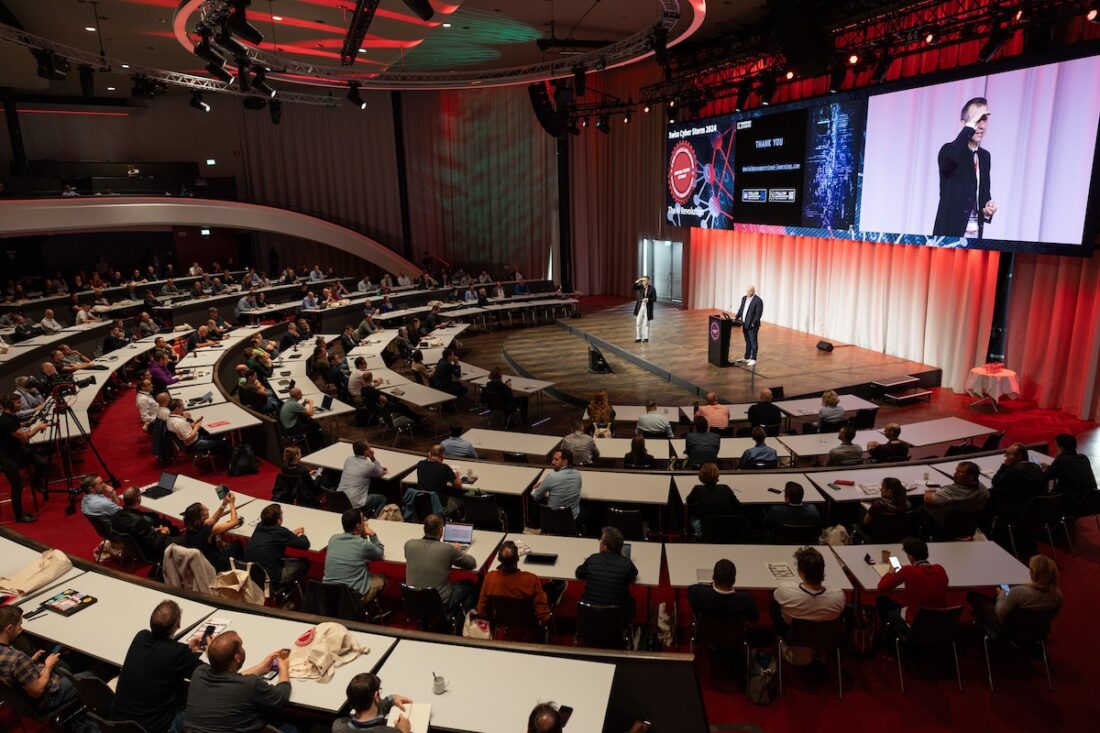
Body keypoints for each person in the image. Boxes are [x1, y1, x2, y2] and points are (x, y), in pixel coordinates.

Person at [0, 606, 98, 733]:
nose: (21, 629)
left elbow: (12, 671)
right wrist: (48, 666)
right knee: (92, 678)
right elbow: (37, 691)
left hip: (22, 699)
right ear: (9, 628)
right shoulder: (17, 659)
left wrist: (30, 661)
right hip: (47, 698)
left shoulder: (8, 654)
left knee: (68, 659)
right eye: (19, 625)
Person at [111, 600, 203, 733]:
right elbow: (205, 673)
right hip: (153, 728)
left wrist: (187, 651)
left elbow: (161, 654)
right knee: (199, 711)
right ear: (178, 625)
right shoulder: (178, 653)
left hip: (116, 723)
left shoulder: (140, 636)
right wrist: (211, 650)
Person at [183, 631, 293, 733]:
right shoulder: (250, 684)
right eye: (241, 646)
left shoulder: (199, 672)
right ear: (237, 658)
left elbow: (230, 680)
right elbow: (281, 697)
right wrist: (284, 669)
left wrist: (260, 667)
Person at [933, 97, 996, 238]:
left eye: (984, 119)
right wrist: (970, 125)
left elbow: (984, 193)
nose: (981, 126)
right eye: (977, 120)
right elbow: (951, 158)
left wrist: (987, 210)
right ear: (964, 124)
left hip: (975, 236)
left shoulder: (985, 156)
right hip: (949, 235)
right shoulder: (949, 150)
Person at [770, 547, 846, 662]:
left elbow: (776, 597)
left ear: (801, 572)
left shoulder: (786, 590)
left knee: (774, 606)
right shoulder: (838, 595)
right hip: (826, 636)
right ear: (822, 571)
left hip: (794, 635)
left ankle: (779, 638)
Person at [967, 554, 1063, 634]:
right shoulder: (1058, 595)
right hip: (1036, 631)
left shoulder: (1019, 592)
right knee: (1004, 587)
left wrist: (1002, 594)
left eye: (1030, 569)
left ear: (1034, 573)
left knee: (973, 596)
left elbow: (999, 614)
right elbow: (1054, 616)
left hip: (1008, 629)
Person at [875, 536, 949, 635]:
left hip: (915, 622)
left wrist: (890, 572)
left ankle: (892, 638)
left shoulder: (907, 571)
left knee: (882, 601)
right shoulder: (940, 569)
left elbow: (882, 587)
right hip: (939, 621)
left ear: (910, 557)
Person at [404, 514, 477, 612]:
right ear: (441, 531)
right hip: (440, 602)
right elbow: (471, 563)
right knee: (470, 585)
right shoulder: (448, 549)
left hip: (414, 600)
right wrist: (458, 552)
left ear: (424, 528)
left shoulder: (409, 544)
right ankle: (460, 621)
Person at [476, 540, 552, 624]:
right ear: (518, 558)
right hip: (528, 626)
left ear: (499, 559)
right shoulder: (531, 580)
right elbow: (544, 617)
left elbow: (481, 611)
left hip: (501, 624)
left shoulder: (490, 578)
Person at [0, 393, 49, 522]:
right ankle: (19, 515)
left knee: (42, 463)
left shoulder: (11, 416)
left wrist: (30, 422)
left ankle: (36, 481)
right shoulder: (6, 421)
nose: (20, 405)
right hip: (6, 457)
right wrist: (38, 427)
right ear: (9, 405)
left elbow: (18, 427)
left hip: (18, 450)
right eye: (17, 403)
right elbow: (25, 437)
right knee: (17, 485)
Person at [324, 509, 387, 606]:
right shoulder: (363, 544)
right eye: (363, 520)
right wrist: (372, 535)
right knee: (382, 578)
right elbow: (380, 554)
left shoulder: (333, 539)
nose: (365, 522)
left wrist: (361, 535)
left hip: (327, 593)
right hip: (351, 597)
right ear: (358, 526)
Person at [576, 526, 638, 621]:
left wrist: (590, 562)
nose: (599, 543)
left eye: (601, 541)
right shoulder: (626, 564)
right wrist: (623, 557)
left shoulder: (593, 559)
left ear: (605, 546)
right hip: (616, 621)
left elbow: (578, 573)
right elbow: (633, 576)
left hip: (589, 618)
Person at [244, 503, 311, 589]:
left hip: (252, 574)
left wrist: (290, 534)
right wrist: (302, 534)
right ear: (278, 520)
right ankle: (288, 589)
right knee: (305, 563)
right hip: (269, 578)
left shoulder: (260, 526)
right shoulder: (279, 532)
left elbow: (276, 537)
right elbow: (305, 544)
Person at [331, 672, 413, 733]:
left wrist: (391, 699)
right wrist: (404, 731)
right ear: (376, 696)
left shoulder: (338, 725)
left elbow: (374, 710)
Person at [111, 487, 177, 563]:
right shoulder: (138, 521)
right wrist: (163, 533)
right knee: (184, 540)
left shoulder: (116, 516)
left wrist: (154, 530)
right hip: (151, 553)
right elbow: (155, 546)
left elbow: (135, 535)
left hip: (136, 550)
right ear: (138, 500)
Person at [182, 494, 244, 572]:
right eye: (205, 509)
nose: (208, 509)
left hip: (200, 563)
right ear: (201, 517)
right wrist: (232, 503)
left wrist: (224, 503)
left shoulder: (191, 525)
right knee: (236, 545)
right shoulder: (209, 529)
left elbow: (213, 519)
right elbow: (234, 522)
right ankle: (240, 571)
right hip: (213, 565)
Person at [921, 461, 989, 532]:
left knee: (918, 508)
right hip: (968, 526)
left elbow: (927, 498)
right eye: (956, 470)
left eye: (960, 472)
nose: (955, 474)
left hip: (944, 524)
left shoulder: (952, 492)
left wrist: (929, 491)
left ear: (970, 477)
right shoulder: (984, 490)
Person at [688, 559, 759, 624]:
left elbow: (692, 588)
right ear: (734, 580)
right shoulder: (745, 600)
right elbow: (753, 618)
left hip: (705, 636)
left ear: (713, 577)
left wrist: (710, 585)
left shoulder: (697, 594)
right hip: (734, 637)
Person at [1042, 433, 1098, 514]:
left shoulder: (1061, 460)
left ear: (1061, 448)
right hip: (1092, 503)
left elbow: (1044, 477)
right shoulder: (1084, 458)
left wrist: (1045, 468)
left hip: (1073, 504)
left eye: (1056, 447)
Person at [990, 442, 1046, 522]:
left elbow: (995, 482)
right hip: (1036, 509)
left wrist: (1004, 466)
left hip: (1015, 511)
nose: (1005, 456)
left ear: (1019, 456)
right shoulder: (1037, 467)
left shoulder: (1012, 471)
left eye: (1008, 454)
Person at [686, 463, 741, 537]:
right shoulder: (725, 488)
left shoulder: (697, 489)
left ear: (701, 475)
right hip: (727, 529)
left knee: (692, 517)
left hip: (707, 530)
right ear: (717, 474)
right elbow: (738, 506)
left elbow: (689, 501)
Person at [531, 448, 583, 522]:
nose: (552, 462)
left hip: (552, 520)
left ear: (565, 462)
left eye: (556, 459)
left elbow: (536, 497)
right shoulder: (578, 474)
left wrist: (543, 485)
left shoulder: (551, 477)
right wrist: (546, 482)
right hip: (572, 519)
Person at [337, 439, 387, 517]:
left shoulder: (348, 459)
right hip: (355, 504)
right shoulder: (369, 466)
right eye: (369, 448)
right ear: (365, 452)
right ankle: (373, 519)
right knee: (383, 499)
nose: (370, 449)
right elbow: (380, 471)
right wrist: (372, 457)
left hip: (339, 499)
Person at [414, 444, 463, 515]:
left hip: (422, 505)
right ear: (443, 455)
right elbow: (459, 486)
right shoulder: (445, 468)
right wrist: (457, 476)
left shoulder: (420, 464)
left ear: (430, 454)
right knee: (462, 500)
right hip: (440, 506)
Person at [733, 285, 763, 366]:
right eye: (747, 291)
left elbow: (758, 314)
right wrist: (736, 317)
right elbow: (741, 309)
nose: (748, 292)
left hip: (753, 326)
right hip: (744, 324)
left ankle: (753, 359)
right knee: (747, 341)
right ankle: (747, 357)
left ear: (754, 291)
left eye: (750, 291)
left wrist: (753, 323)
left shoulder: (758, 300)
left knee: (753, 342)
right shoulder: (744, 298)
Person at [631, 275, 657, 343]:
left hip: (647, 307)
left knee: (646, 323)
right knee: (638, 322)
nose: (644, 282)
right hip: (640, 307)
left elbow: (654, 299)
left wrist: (647, 299)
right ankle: (638, 338)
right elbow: (634, 287)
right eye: (643, 280)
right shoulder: (640, 287)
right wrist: (638, 281)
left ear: (648, 281)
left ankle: (646, 338)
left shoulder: (652, 288)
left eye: (645, 280)